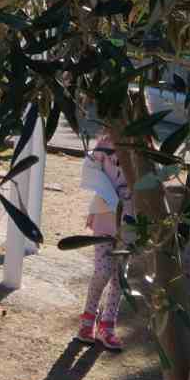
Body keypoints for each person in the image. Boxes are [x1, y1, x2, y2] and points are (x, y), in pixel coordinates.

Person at [77, 132, 133, 351]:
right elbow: (90, 170)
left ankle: (107, 326)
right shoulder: (105, 144)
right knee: (102, 271)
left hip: (130, 219)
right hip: (104, 215)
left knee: (120, 275)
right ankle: (88, 318)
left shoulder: (143, 144)